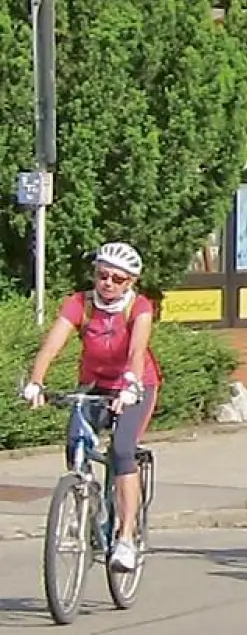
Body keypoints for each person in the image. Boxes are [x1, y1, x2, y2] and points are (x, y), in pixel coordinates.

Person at [22, 242, 160, 573]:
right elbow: (52, 344)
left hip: (135, 386)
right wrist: (36, 382)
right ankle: (85, 503)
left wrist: (130, 386)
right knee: (76, 443)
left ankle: (126, 537)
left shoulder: (139, 307)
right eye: (102, 275)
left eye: (118, 278)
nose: (108, 283)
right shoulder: (79, 304)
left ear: (130, 283)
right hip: (94, 387)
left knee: (123, 451)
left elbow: (137, 352)